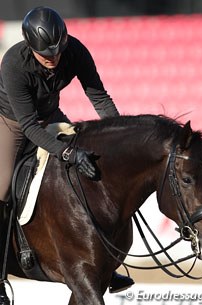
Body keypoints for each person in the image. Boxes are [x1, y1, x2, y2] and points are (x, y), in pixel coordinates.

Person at [0, 6, 134, 304]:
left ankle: (106, 264)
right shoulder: (13, 63)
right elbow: (29, 128)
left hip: (50, 115)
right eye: (46, 54)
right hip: (13, 122)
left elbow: (98, 96)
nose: (53, 59)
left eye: (57, 52)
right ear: (29, 46)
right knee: (2, 186)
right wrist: (69, 152)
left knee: (95, 167)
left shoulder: (73, 50)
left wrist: (120, 136)